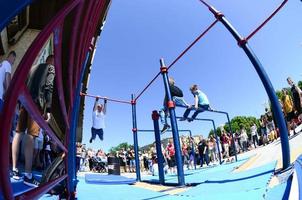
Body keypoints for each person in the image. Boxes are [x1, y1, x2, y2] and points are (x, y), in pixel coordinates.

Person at [11, 55, 55, 187]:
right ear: (51, 61)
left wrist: (19, 101)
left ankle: (14, 169)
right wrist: (48, 109)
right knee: (31, 135)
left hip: (25, 101)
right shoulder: (51, 68)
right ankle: (28, 175)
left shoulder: (33, 67)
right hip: (37, 103)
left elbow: (23, 83)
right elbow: (49, 87)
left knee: (18, 133)